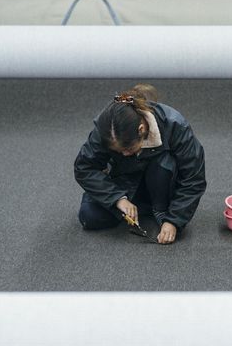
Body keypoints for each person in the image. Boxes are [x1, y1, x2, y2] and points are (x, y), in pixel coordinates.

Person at [74, 83, 206, 244]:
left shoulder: (175, 125)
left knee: (163, 162)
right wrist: (117, 198)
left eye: (128, 148)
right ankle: (139, 207)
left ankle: (160, 209)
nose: (124, 154)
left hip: (162, 183)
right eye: (118, 151)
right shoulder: (105, 131)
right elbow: (84, 168)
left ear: (141, 129)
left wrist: (174, 220)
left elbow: (194, 179)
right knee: (89, 216)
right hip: (125, 183)